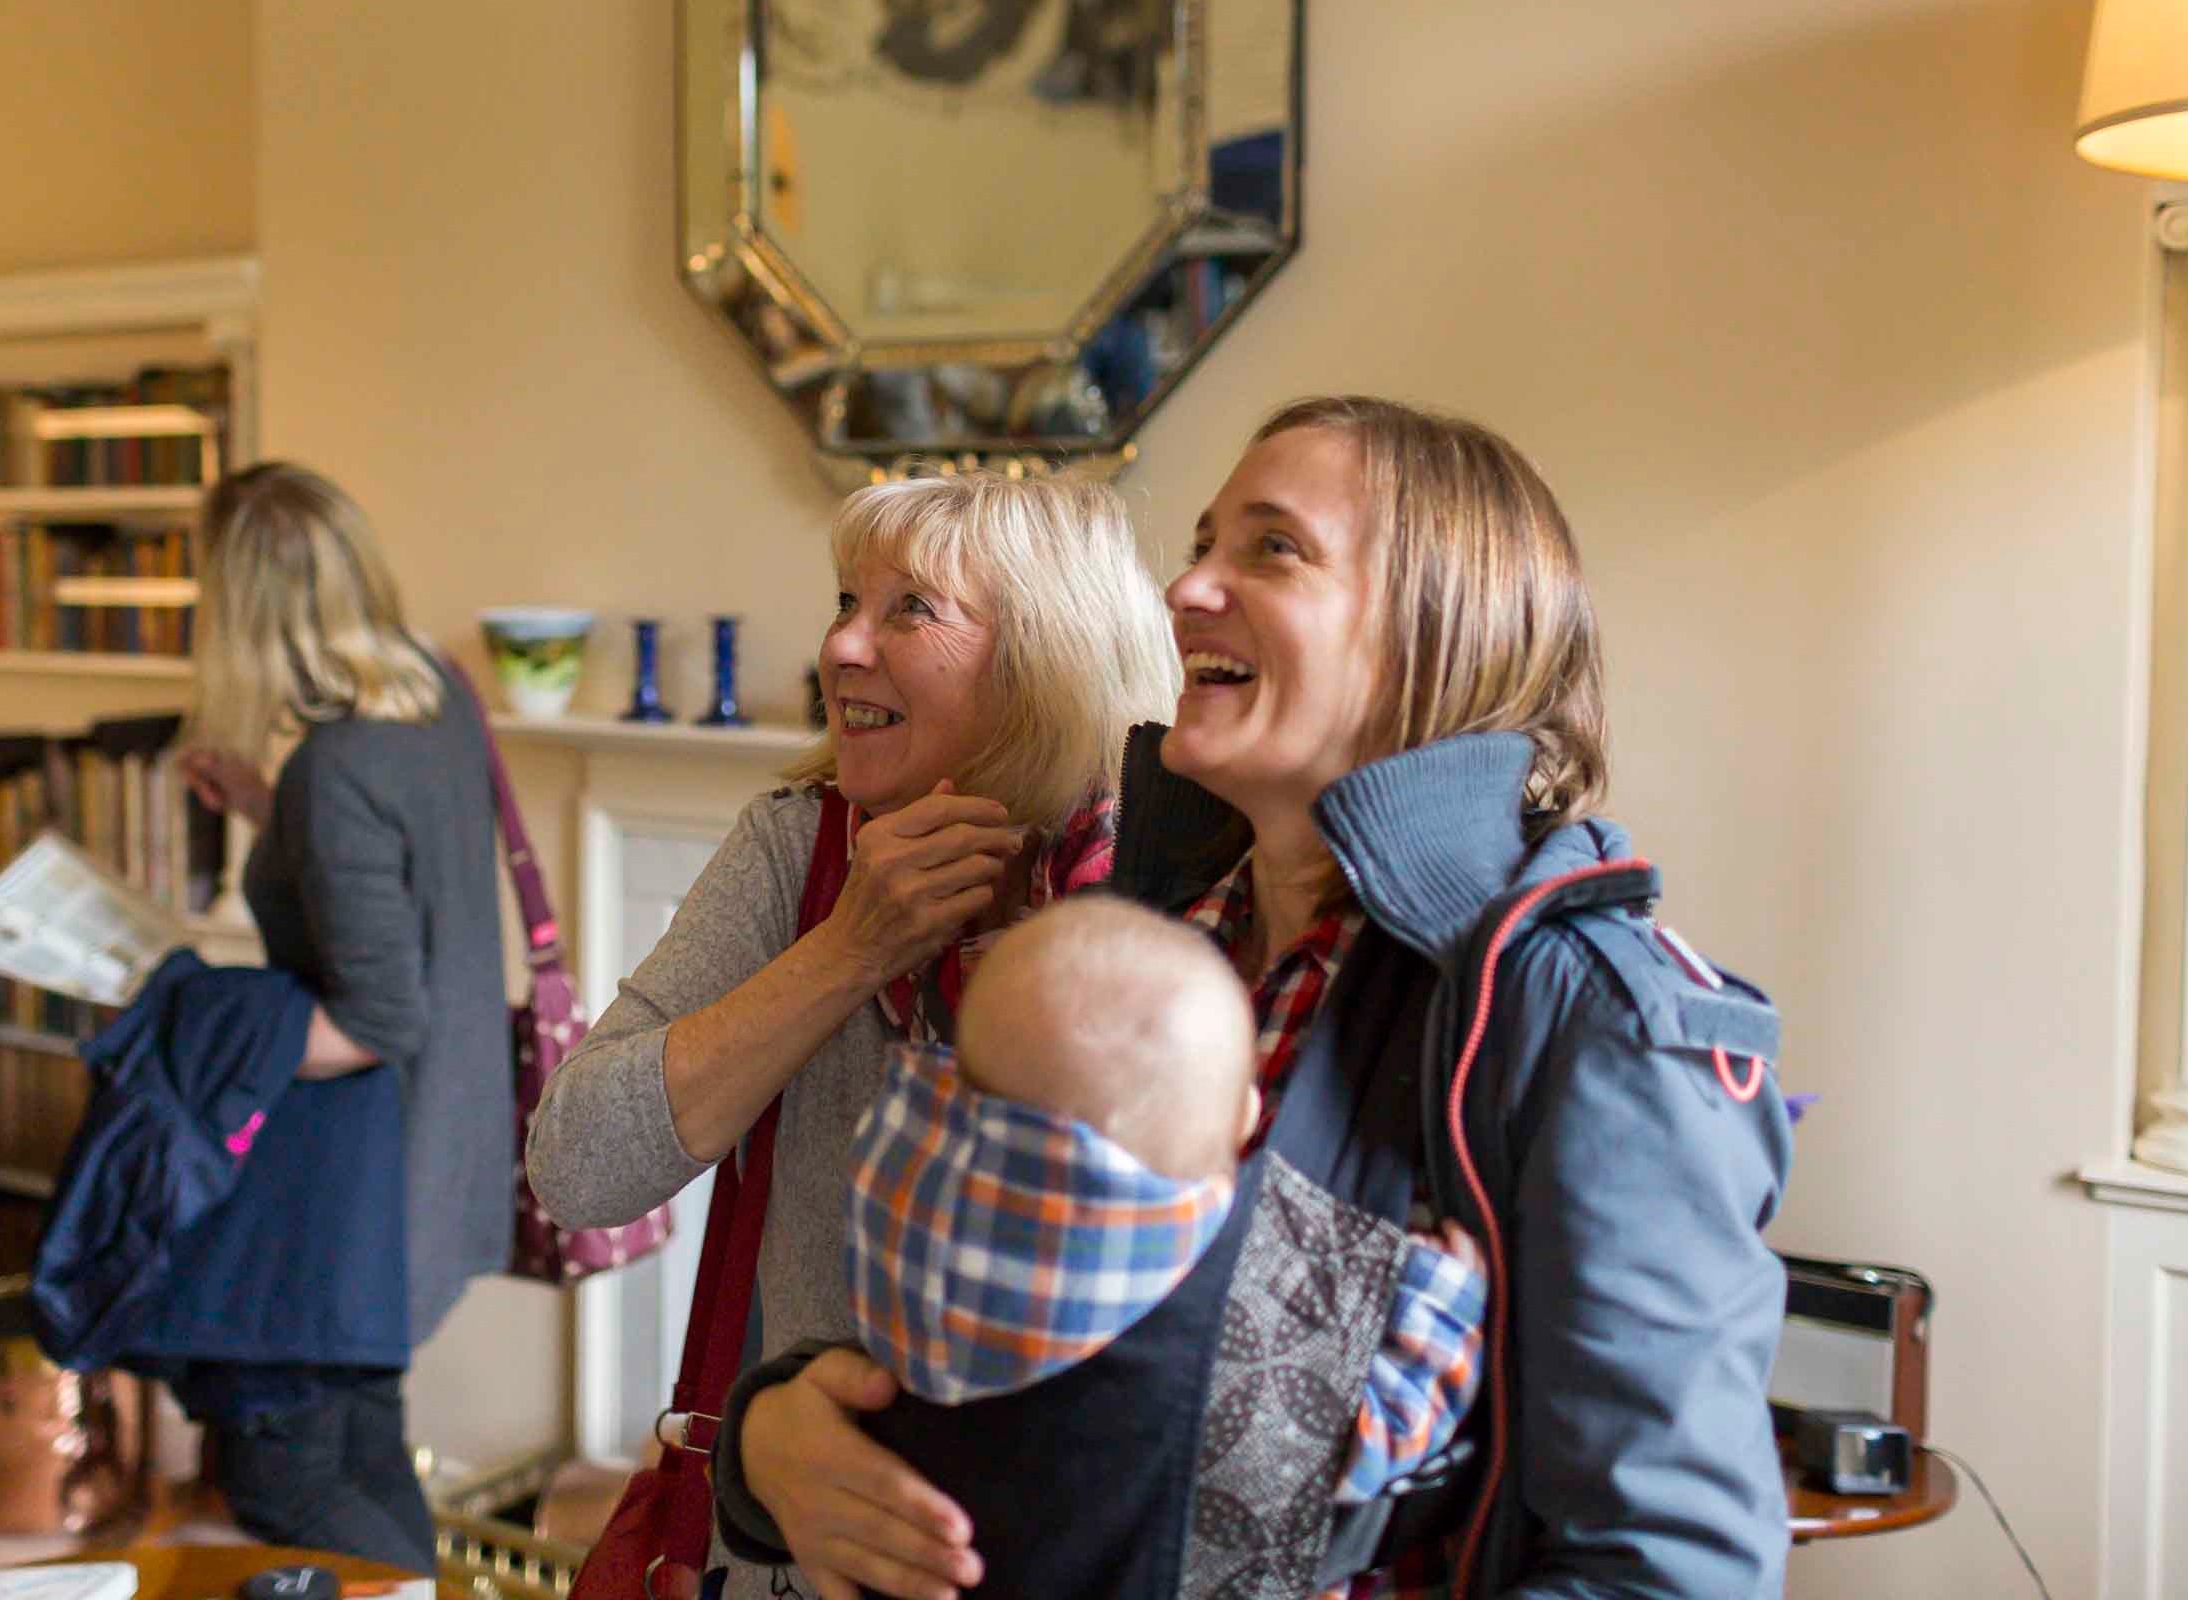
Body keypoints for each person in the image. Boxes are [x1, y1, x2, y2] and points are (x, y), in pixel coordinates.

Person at [725, 397, 1794, 1598]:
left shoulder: (1595, 1023)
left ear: (1438, 631)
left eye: (1271, 548)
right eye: (1199, 547)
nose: (1184, 592)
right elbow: (1008, 1339)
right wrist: (773, 1441)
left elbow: (1666, 1573)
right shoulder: (1135, 955)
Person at [526, 471, 1181, 1598]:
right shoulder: (798, 849)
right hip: (794, 1553)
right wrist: (845, 951)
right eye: (843, 601)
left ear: (1047, 655)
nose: (839, 646)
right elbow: (576, 1167)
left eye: (907, 609)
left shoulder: (1172, 889)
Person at [714, 896, 1485, 1598]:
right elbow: (1381, 1426)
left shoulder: (908, 1270)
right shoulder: (1243, 1372)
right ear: (1246, 1120)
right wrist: (1440, 1295)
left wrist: (756, 1431)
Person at [170, 461, 512, 1571]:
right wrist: (268, 811)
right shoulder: (433, 689)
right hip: (441, 1147)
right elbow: (389, 889)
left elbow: (377, 1016)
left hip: (362, 1185)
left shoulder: (336, 769)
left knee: (287, 1480)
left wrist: (197, 1045)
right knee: (365, 1450)